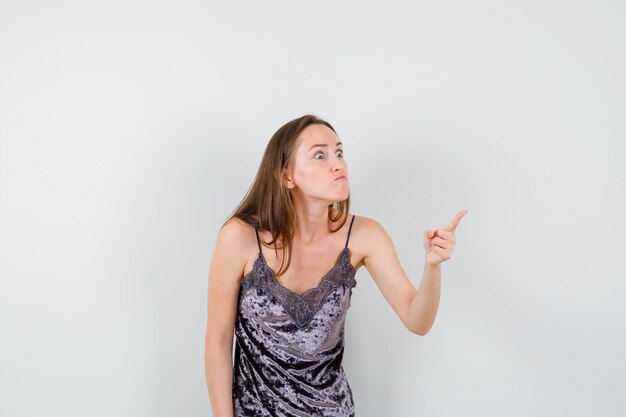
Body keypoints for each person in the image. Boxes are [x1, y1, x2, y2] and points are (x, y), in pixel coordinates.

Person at [204, 114, 467, 416]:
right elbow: (219, 342)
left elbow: (417, 321)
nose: (338, 163)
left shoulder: (365, 236)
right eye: (320, 155)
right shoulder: (239, 237)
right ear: (285, 176)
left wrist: (432, 266)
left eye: (339, 152)